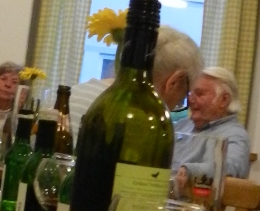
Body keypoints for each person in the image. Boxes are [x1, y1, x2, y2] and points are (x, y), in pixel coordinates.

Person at [69, 25, 202, 134]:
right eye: (180, 100)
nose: (173, 109)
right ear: (174, 82)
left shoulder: (76, 93)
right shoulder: (141, 120)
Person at [172, 65, 251, 178]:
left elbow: (229, 169)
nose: (190, 99)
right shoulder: (182, 125)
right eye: (190, 94)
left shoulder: (235, 135)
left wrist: (188, 170)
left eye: (199, 94)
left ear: (224, 100)